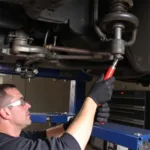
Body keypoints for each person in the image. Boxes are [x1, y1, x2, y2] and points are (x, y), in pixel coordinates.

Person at [0, 75, 115, 150]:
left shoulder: (10, 137)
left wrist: (83, 119)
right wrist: (93, 100)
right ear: (5, 112)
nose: (28, 105)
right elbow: (68, 148)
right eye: (21, 102)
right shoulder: (7, 146)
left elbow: (40, 136)